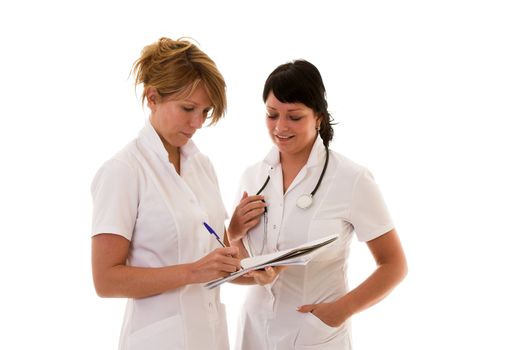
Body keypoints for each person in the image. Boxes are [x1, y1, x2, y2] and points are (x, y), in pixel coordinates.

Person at [227, 59, 408, 349]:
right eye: (272, 115)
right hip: (255, 328)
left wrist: (339, 312)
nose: (280, 127)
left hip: (315, 332)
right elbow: (234, 260)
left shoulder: (352, 179)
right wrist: (233, 233)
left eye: (294, 117)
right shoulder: (253, 176)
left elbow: (394, 265)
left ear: (319, 117)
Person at [90, 37, 240, 350]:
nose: (197, 122)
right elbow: (106, 280)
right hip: (158, 340)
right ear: (153, 98)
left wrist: (255, 272)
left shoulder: (202, 166)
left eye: (205, 111)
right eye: (188, 108)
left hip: (211, 337)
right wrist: (192, 272)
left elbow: (217, 255)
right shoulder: (124, 170)